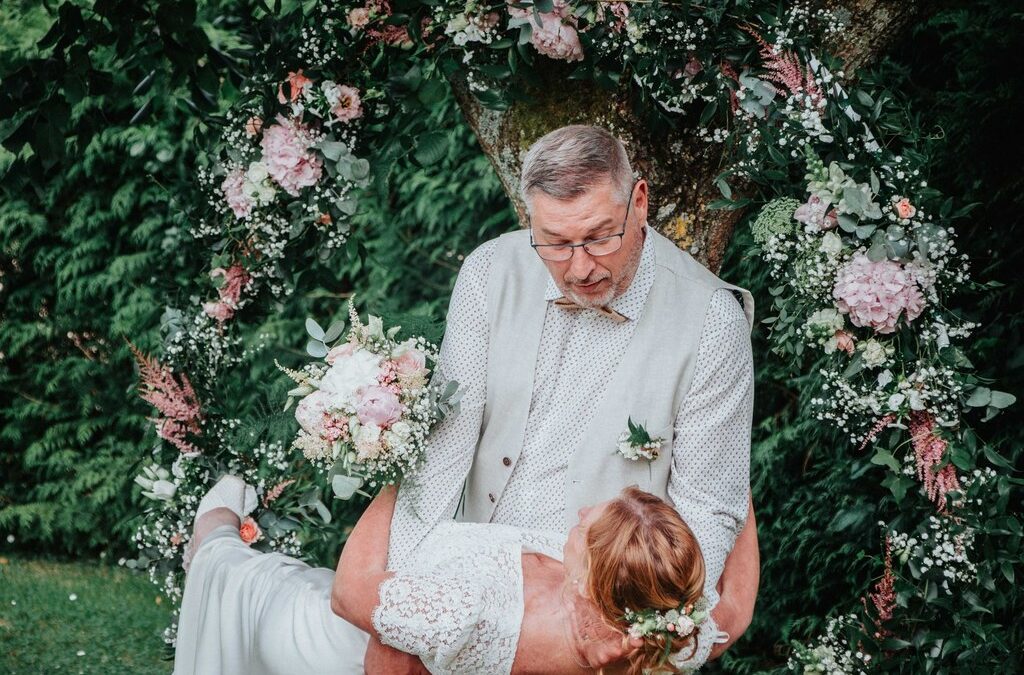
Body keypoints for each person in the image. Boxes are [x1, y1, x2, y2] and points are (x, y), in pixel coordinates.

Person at [377, 124, 760, 670]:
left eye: (601, 237)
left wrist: (646, 626)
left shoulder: (712, 321)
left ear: (640, 202)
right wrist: (404, 592)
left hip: (606, 601)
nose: (580, 268)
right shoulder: (488, 271)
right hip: (476, 569)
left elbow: (707, 506)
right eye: (555, 243)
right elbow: (446, 444)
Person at [174, 475, 710, 674]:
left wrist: (395, 470)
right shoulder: (659, 633)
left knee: (244, 579)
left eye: (585, 526)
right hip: (377, 614)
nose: (581, 513)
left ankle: (211, 534)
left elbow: (349, 593)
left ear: (592, 579)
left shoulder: (472, 613)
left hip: (333, 641)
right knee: (277, 575)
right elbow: (736, 610)